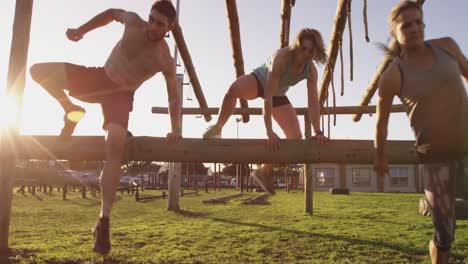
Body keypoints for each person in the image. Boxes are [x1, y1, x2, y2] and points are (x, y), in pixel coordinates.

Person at [29, 0, 181, 254]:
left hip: (120, 97)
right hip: (98, 78)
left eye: (160, 24)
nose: (153, 27)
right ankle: (70, 110)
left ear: (169, 27)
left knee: (114, 145)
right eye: (152, 19)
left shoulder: (164, 58)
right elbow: (111, 14)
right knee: (37, 71)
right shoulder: (133, 21)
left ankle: (104, 220)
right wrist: (81, 30)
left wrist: (175, 127)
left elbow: (173, 96)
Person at [374, 1, 467, 263]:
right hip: (434, 158)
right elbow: (381, 123)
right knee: (446, 233)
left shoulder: (447, 46)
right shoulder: (393, 75)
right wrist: (380, 156)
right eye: (407, 25)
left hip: (467, 145)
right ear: (395, 32)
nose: (415, 28)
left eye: (419, 22)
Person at [203, 28, 329, 194]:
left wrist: (318, 131)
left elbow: (313, 101)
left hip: (279, 94)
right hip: (260, 82)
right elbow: (267, 97)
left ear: (315, 53)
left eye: (310, 51)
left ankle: (265, 170)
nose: (304, 54)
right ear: (296, 46)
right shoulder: (282, 58)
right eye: (302, 48)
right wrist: (269, 131)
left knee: (295, 138)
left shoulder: (311, 71)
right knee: (233, 90)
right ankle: (218, 127)